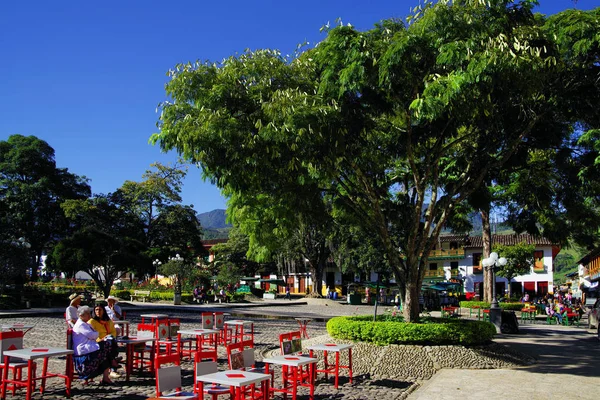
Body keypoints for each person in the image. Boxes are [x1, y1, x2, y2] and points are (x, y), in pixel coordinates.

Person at [72, 306, 114, 384]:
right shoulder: (81, 325)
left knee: (108, 346)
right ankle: (113, 362)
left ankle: (107, 373)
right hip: (85, 349)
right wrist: (97, 334)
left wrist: (96, 334)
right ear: (81, 315)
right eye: (87, 314)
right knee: (108, 347)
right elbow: (93, 335)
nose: (89, 315)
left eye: (89, 313)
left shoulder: (86, 324)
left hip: (91, 346)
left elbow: (94, 333)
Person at [88, 304, 120, 379]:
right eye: (96, 310)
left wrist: (108, 337)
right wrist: (102, 339)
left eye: (100, 310)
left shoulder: (108, 321)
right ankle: (113, 365)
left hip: (108, 341)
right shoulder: (92, 321)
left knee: (110, 342)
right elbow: (91, 335)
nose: (98, 311)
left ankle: (112, 364)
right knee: (110, 345)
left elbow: (113, 332)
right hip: (97, 342)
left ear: (103, 311)